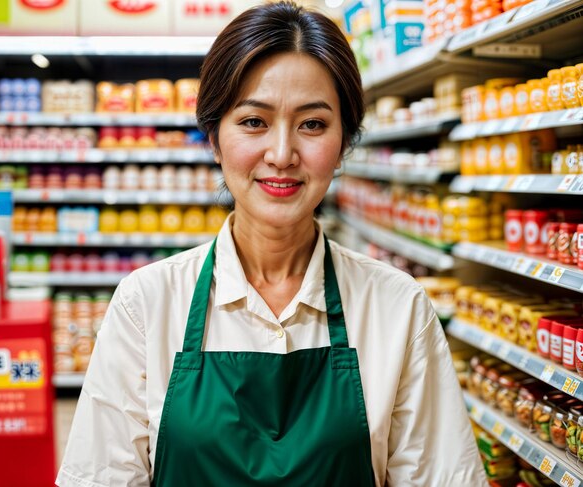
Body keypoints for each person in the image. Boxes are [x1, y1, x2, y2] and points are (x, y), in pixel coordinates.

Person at [57, 2, 487, 486]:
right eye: (254, 122)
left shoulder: (397, 307)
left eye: (313, 124)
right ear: (215, 138)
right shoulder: (147, 304)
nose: (281, 155)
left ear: (345, 142)